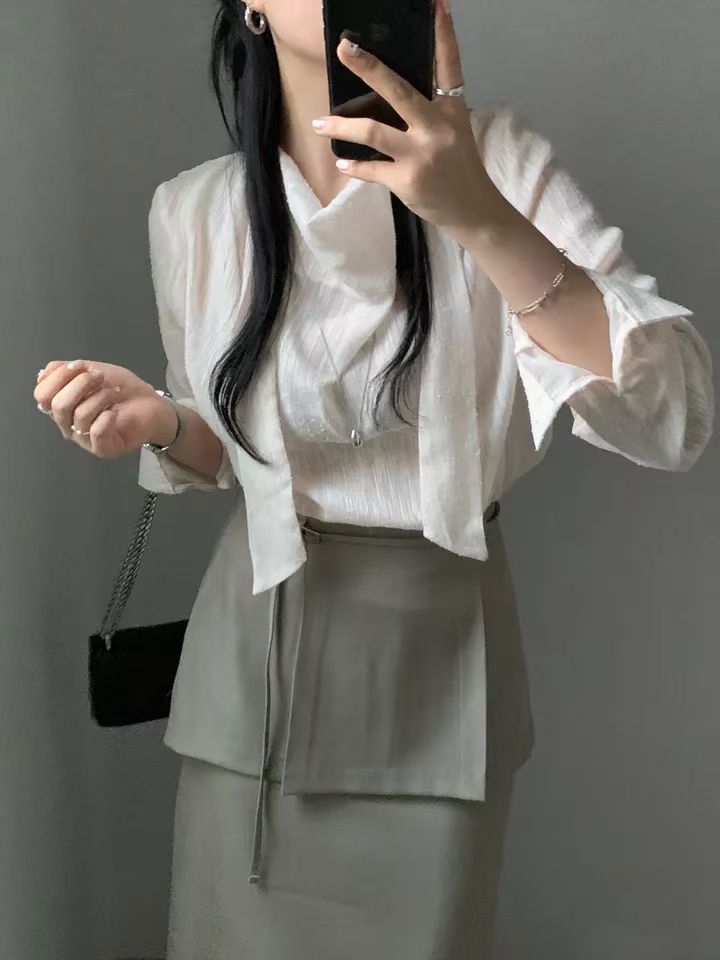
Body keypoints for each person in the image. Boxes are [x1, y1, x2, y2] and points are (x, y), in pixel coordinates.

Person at [33, 1, 714, 957]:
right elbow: (248, 460)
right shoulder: (194, 212)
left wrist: (477, 215)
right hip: (253, 680)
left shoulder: (500, 161)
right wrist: (166, 422)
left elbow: (673, 416)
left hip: (438, 680)